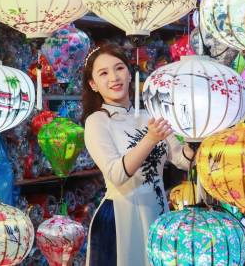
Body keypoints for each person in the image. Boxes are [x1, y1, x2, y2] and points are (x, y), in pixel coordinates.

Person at [81, 44, 194, 266]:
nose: (114, 77)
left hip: (158, 215)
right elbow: (117, 175)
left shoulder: (150, 115)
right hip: (121, 218)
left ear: (130, 74)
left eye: (119, 68)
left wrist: (194, 136)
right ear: (93, 84)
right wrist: (150, 139)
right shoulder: (97, 121)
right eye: (103, 73)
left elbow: (183, 160)